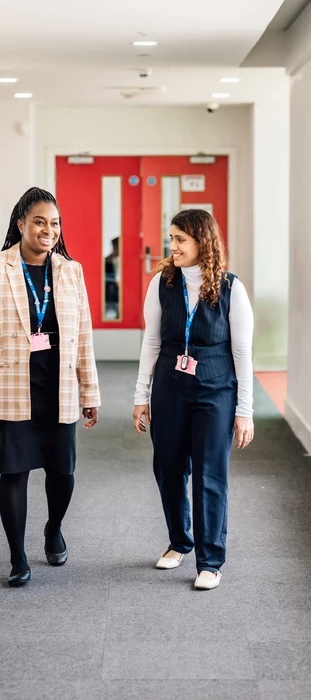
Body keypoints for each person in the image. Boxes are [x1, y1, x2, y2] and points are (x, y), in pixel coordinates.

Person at [0, 187, 100, 587]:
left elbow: (85, 337)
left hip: (57, 387)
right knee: (15, 472)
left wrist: (89, 393)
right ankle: (17, 556)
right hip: (10, 385)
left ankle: (53, 527)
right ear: (21, 223)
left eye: (54, 223)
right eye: (39, 221)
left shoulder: (71, 272)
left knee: (63, 472)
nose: (48, 230)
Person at [133, 209, 254, 590]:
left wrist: (245, 410)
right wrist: (142, 395)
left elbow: (242, 352)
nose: (173, 246)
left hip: (216, 388)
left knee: (209, 473)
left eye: (180, 239)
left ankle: (210, 560)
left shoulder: (231, 288)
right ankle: (179, 541)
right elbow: (151, 341)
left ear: (203, 241)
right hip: (170, 385)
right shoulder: (162, 284)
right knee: (168, 467)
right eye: (171, 238)